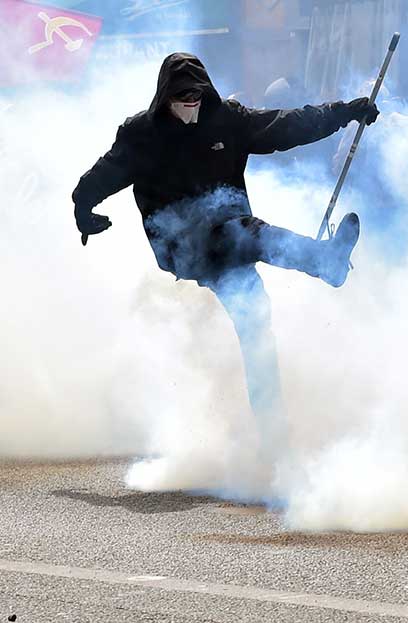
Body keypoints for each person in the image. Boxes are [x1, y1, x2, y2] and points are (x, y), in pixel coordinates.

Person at [72, 52, 379, 450]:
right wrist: (83, 209)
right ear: (164, 96)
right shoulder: (141, 135)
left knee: (257, 326)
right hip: (182, 246)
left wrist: (345, 112)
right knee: (246, 231)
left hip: (230, 245)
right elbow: (103, 174)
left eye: (196, 95)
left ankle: (272, 431)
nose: (190, 103)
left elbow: (286, 125)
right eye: (181, 96)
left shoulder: (227, 120)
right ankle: (323, 262)